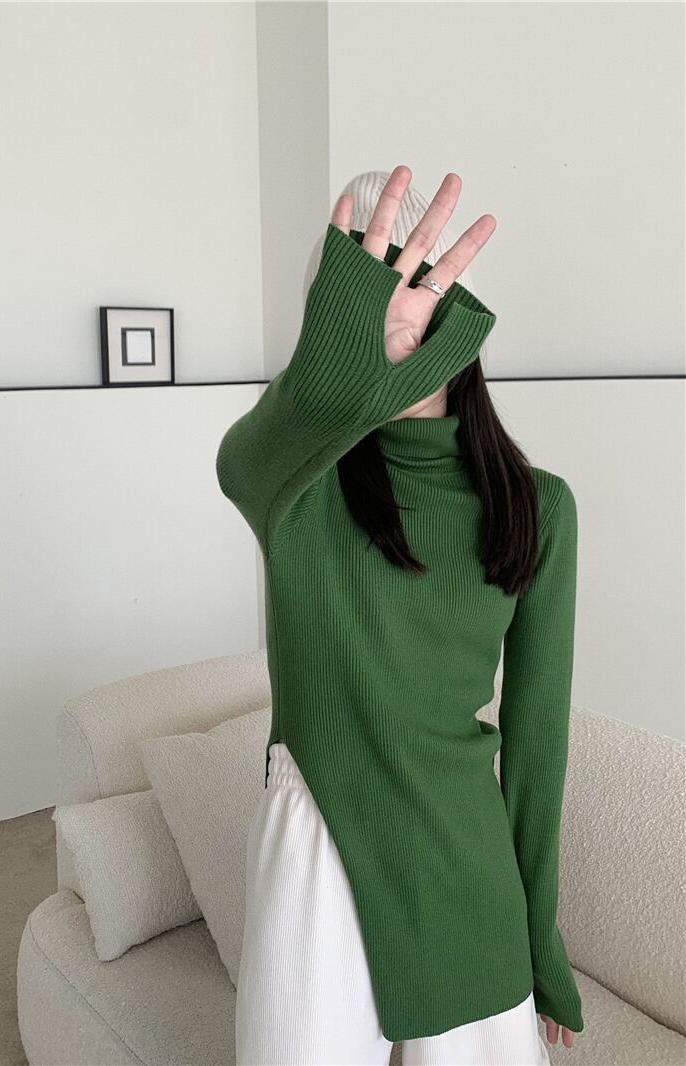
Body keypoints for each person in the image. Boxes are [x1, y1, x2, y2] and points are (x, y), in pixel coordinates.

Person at [216, 164, 584, 1066]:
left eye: (420, 283)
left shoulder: (539, 506)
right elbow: (239, 462)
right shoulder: (297, 486)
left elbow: (537, 744)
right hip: (317, 847)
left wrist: (542, 941)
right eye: (369, 291)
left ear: (460, 309)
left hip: (465, 862)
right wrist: (350, 360)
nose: (400, 310)